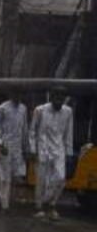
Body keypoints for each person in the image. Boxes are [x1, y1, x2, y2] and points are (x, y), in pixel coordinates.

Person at [29, 89, 74, 220]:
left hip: (59, 150)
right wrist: (32, 149)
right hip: (42, 149)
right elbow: (32, 131)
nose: (59, 101)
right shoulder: (40, 110)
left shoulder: (68, 111)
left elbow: (68, 133)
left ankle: (51, 203)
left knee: (60, 178)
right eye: (57, 98)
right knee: (41, 180)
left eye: (62, 98)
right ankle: (40, 207)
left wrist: (69, 152)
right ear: (51, 97)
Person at [0, 91, 29, 212]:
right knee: (5, 177)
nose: (18, 97)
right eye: (15, 94)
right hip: (4, 146)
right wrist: (0, 144)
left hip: (17, 148)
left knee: (16, 176)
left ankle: (3, 197)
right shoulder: (2, 109)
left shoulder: (23, 109)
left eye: (20, 95)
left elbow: (24, 130)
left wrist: (26, 148)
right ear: (11, 95)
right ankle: (4, 207)